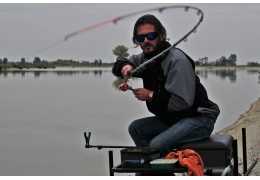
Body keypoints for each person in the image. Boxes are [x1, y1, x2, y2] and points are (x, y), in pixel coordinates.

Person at [112, 14, 220, 154]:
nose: (146, 41)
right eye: (140, 38)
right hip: (173, 119)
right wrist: (125, 68)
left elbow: (181, 102)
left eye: (151, 36)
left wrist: (150, 95)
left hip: (199, 119)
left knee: (156, 145)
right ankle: (155, 170)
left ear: (161, 35)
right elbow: (121, 61)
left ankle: (157, 161)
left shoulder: (177, 61)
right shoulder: (146, 58)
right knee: (136, 128)